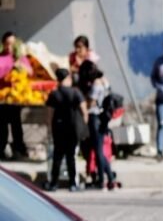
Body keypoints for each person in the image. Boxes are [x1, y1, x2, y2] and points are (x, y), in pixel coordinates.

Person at [77, 60, 119, 190]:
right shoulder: (104, 81)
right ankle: (110, 179)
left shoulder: (96, 84)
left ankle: (102, 180)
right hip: (103, 118)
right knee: (99, 149)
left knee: (98, 150)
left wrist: (82, 101)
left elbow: (91, 103)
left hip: (95, 117)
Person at [44, 68, 87, 192]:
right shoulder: (76, 92)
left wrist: (49, 128)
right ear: (68, 78)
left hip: (58, 128)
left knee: (57, 156)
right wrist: (83, 127)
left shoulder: (54, 94)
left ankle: (53, 184)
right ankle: (73, 184)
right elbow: (84, 111)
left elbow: (49, 115)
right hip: (73, 128)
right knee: (71, 157)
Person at [0, 32, 31, 160]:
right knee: (1, 127)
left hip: (16, 99)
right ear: (3, 44)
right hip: (2, 98)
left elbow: (30, 72)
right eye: (7, 44)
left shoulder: (20, 58)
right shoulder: (1, 58)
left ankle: (19, 149)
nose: (9, 47)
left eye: (12, 44)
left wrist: (19, 65)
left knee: (16, 125)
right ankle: (2, 149)